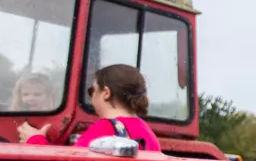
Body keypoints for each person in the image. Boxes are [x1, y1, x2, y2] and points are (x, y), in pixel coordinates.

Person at [18, 64, 162, 152]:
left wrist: (35, 140)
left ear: (106, 93)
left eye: (92, 91)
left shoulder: (105, 129)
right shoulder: (147, 132)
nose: (91, 97)